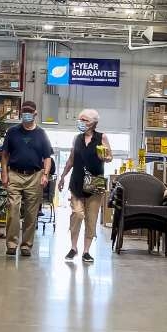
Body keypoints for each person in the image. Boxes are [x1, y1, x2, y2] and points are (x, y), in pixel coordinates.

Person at [58, 108, 112, 262]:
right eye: (80, 119)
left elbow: (109, 157)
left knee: (91, 218)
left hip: (95, 183)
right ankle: (73, 247)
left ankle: (86, 251)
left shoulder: (102, 137)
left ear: (93, 123)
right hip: (77, 182)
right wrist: (62, 177)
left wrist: (105, 156)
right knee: (77, 214)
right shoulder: (77, 139)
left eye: (85, 120)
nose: (81, 123)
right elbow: (71, 160)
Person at [0, 100, 53, 257]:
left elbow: (47, 157)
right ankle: (11, 244)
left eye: (30, 113)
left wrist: (45, 174)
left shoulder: (41, 134)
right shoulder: (12, 132)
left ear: (35, 114)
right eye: (24, 113)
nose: (27, 115)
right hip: (14, 174)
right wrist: (4, 173)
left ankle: (26, 246)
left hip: (35, 176)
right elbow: (5, 155)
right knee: (13, 209)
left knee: (31, 213)